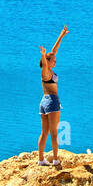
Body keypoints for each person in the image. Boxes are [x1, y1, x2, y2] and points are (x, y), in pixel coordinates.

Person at [38, 25, 68, 166]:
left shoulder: (49, 68)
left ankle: (41, 160)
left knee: (44, 132)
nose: (55, 61)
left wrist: (61, 35)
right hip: (51, 101)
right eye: (53, 60)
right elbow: (45, 64)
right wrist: (43, 55)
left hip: (44, 102)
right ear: (47, 62)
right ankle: (56, 160)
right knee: (54, 133)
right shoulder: (46, 72)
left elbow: (54, 51)